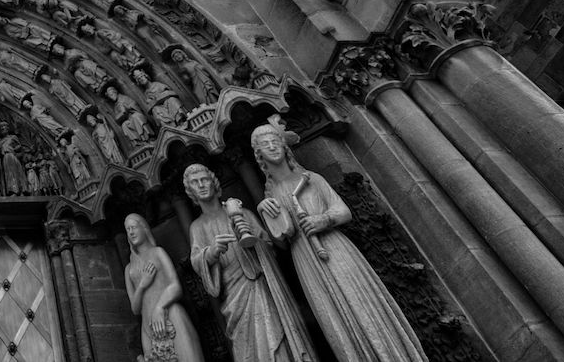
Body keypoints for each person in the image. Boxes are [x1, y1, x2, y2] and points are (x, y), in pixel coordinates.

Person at [251, 122, 428, 361]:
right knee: (333, 319)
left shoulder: (311, 178)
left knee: (363, 304)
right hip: (305, 258)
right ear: (258, 154)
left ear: (284, 145)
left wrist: (322, 219)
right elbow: (282, 243)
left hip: (334, 248)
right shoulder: (270, 195)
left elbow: (344, 212)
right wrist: (264, 211)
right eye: (264, 144)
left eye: (275, 141)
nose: (272, 147)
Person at [183, 164, 319, 362]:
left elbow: (270, 245)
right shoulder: (197, 227)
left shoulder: (243, 212)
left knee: (276, 333)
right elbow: (196, 261)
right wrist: (212, 252)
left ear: (214, 183)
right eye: (195, 183)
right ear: (190, 191)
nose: (202, 185)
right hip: (233, 295)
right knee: (248, 347)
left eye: (205, 179)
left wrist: (251, 240)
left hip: (261, 285)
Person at [124, 213, 204, 362]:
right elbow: (135, 309)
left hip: (171, 315)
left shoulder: (158, 253)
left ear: (144, 228)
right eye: (128, 230)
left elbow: (175, 286)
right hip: (148, 328)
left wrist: (159, 308)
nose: (131, 232)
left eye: (134, 227)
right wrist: (142, 284)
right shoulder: (129, 269)